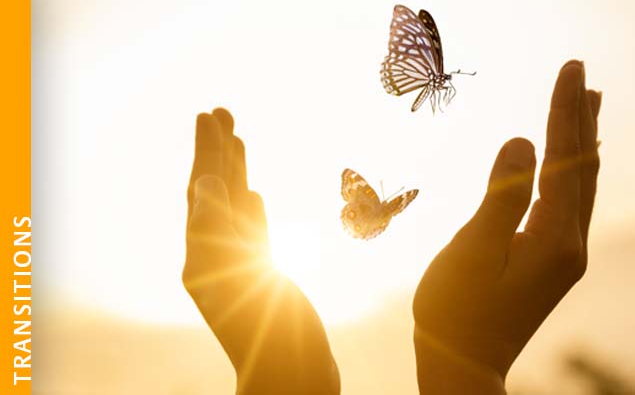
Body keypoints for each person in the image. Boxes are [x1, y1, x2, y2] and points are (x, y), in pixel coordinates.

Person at [183, 60, 602, 394]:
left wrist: (281, 376)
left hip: (368, 220)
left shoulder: (385, 202)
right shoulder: (384, 203)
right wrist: (468, 367)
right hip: (372, 221)